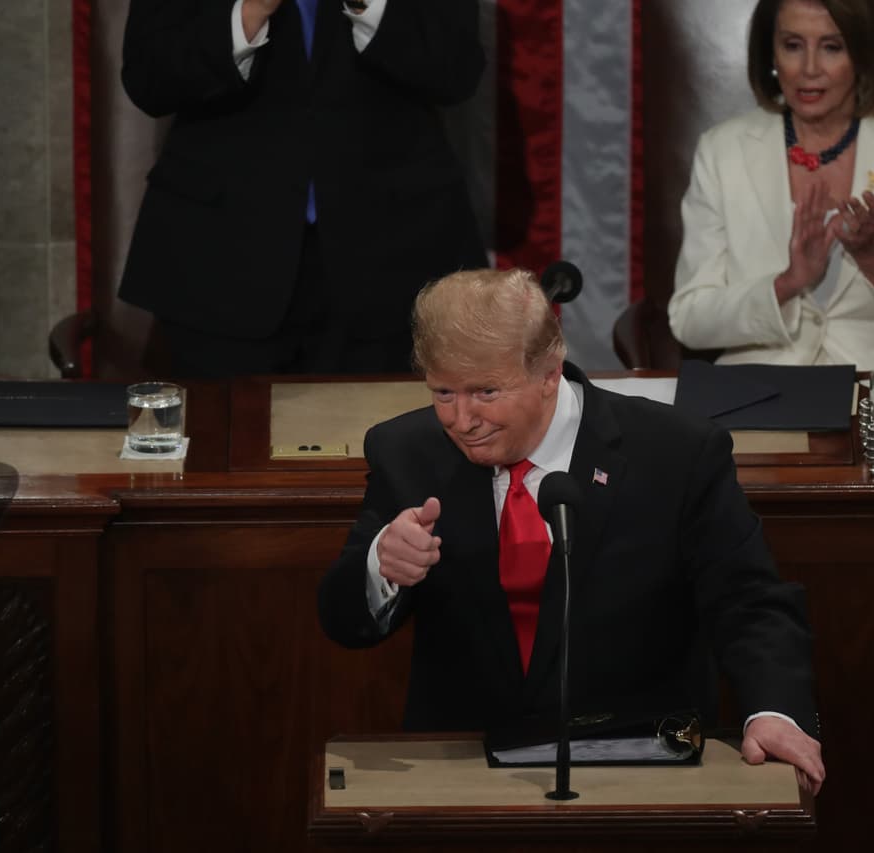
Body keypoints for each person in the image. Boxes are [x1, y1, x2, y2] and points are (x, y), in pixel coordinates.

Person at [318, 267, 826, 793]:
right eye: (443, 392)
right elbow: (341, 621)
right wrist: (381, 565)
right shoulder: (406, 452)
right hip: (462, 770)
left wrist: (774, 712)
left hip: (639, 762)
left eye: (486, 391)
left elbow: (750, 601)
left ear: (548, 372)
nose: (461, 419)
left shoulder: (675, 453)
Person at [118, 0, 487, 377]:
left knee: (380, 433)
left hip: (393, 259)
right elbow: (149, 78)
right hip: (218, 263)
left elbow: (457, 70)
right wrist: (250, 13)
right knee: (227, 434)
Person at [668, 0, 874, 371]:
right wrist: (787, 283)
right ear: (771, 53)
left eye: (831, 47)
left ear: (863, 54)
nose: (809, 69)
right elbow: (690, 319)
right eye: (793, 45)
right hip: (762, 388)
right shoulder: (721, 151)